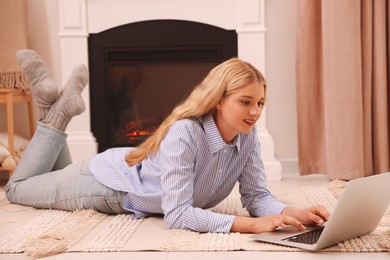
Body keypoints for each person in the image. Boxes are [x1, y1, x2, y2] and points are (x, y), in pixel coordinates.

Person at [5, 50, 330, 234]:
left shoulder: (247, 138)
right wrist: (250, 226)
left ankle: (50, 105)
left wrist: (294, 212)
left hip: (115, 174)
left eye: (260, 103)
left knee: (48, 176)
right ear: (219, 100)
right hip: (105, 187)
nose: (255, 112)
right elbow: (177, 215)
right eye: (245, 102)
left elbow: (257, 196)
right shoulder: (186, 133)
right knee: (18, 189)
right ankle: (57, 116)